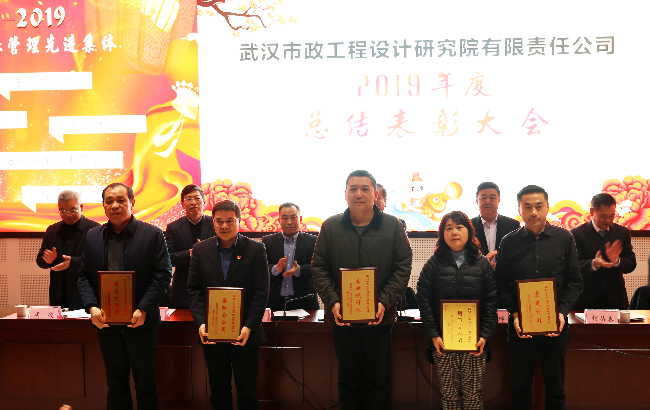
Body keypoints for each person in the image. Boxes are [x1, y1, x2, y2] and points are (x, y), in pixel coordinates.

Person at [311, 170, 412, 410]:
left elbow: (402, 266)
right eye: (353, 189)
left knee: (378, 382)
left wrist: (384, 302)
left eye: (365, 189)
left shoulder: (392, 226)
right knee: (347, 382)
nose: (359, 194)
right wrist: (333, 301)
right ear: (345, 194)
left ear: (375, 194)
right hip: (343, 319)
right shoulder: (330, 226)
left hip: (380, 318)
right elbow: (319, 267)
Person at [77, 183, 172, 410]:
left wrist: (144, 308)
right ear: (103, 206)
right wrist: (91, 306)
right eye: (109, 201)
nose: (115, 206)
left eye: (120, 200)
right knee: (115, 384)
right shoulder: (93, 236)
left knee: (145, 383)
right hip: (106, 324)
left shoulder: (152, 234)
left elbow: (162, 274)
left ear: (132, 203)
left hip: (140, 322)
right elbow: (83, 276)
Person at [495, 185, 583, 410]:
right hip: (520, 326)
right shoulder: (509, 242)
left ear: (547, 208)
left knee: (556, 388)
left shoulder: (565, 238)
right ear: (519, 210)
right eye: (527, 207)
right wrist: (515, 313)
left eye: (538, 206)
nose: (533, 212)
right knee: (520, 387)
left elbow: (575, 282)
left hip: (555, 326)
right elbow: (501, 284)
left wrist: (562, 312)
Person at [187, 200, 269, 410]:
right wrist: (201, 323)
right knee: (218, 392)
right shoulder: (200, 250)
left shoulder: (256, 249)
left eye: (230, 221)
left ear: (239, 221)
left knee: (247, 393)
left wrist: (249, 326)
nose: (224, 226)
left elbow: (261, 292)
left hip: (245, 334)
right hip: (212, 334)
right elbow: (194, 290)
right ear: (213, 222)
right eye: (219, 221)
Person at [417, 211, 497, 410]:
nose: (454, 232)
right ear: (442, 234)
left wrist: (485, 335)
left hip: (475, 343)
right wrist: (433, 335)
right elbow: (424, 301)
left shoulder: (482, 264)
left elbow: (491, 302)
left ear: (469, 231)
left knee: (473, 396)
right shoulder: (433, 264)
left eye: (459, 227)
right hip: (443, 343)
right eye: (449, 228)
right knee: (449, 394)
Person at [571, 193, 636, 310]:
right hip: (586, 299)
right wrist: (594, 263)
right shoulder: (576, 234)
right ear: (592, 212)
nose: (608, 220)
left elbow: (631, 264)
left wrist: (616, 261)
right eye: (603, 216)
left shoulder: (622, 232)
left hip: (615, 298)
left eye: (612, 215)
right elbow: (572, 266)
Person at [37, 190, 99, 310]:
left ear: (81, 207)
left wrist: (73, 262)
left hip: (85, 297)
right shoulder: (52, 230)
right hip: (58, 296)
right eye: (63, 211)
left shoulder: (95, 230)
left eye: (73, 210)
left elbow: (99, 261)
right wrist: (47, 261)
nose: (68, 215)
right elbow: (40, 260)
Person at [165, 184, 216, 308]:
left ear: (204, 201)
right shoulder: (173, 227)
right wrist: (191, 253)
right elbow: (169, 258)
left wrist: (207, 251)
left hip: (212, 285)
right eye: (188, 199)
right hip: (183, 288)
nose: (193, 202)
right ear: (182, 204)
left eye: (197, 198)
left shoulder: (216, 224)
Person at [262, 202, 319, 311]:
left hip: (304, 301)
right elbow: (261, 268)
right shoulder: (268, 241)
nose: (289, 222)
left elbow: (318, 268)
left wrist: (299, 270)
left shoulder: (313, 241)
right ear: (279, 220)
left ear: (300, 219)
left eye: (293, 217)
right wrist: (276, 269)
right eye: (285, 218)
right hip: (275, 301)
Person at [470, 182, 520, 268]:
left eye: (492, 198)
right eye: (483, 198)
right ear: (477, 201)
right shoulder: (469, 226)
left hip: (505, 273)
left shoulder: (513, 225)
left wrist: (500, 267)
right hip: (478, 274)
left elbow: (518, 254)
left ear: (498, 200)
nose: (487, 202)